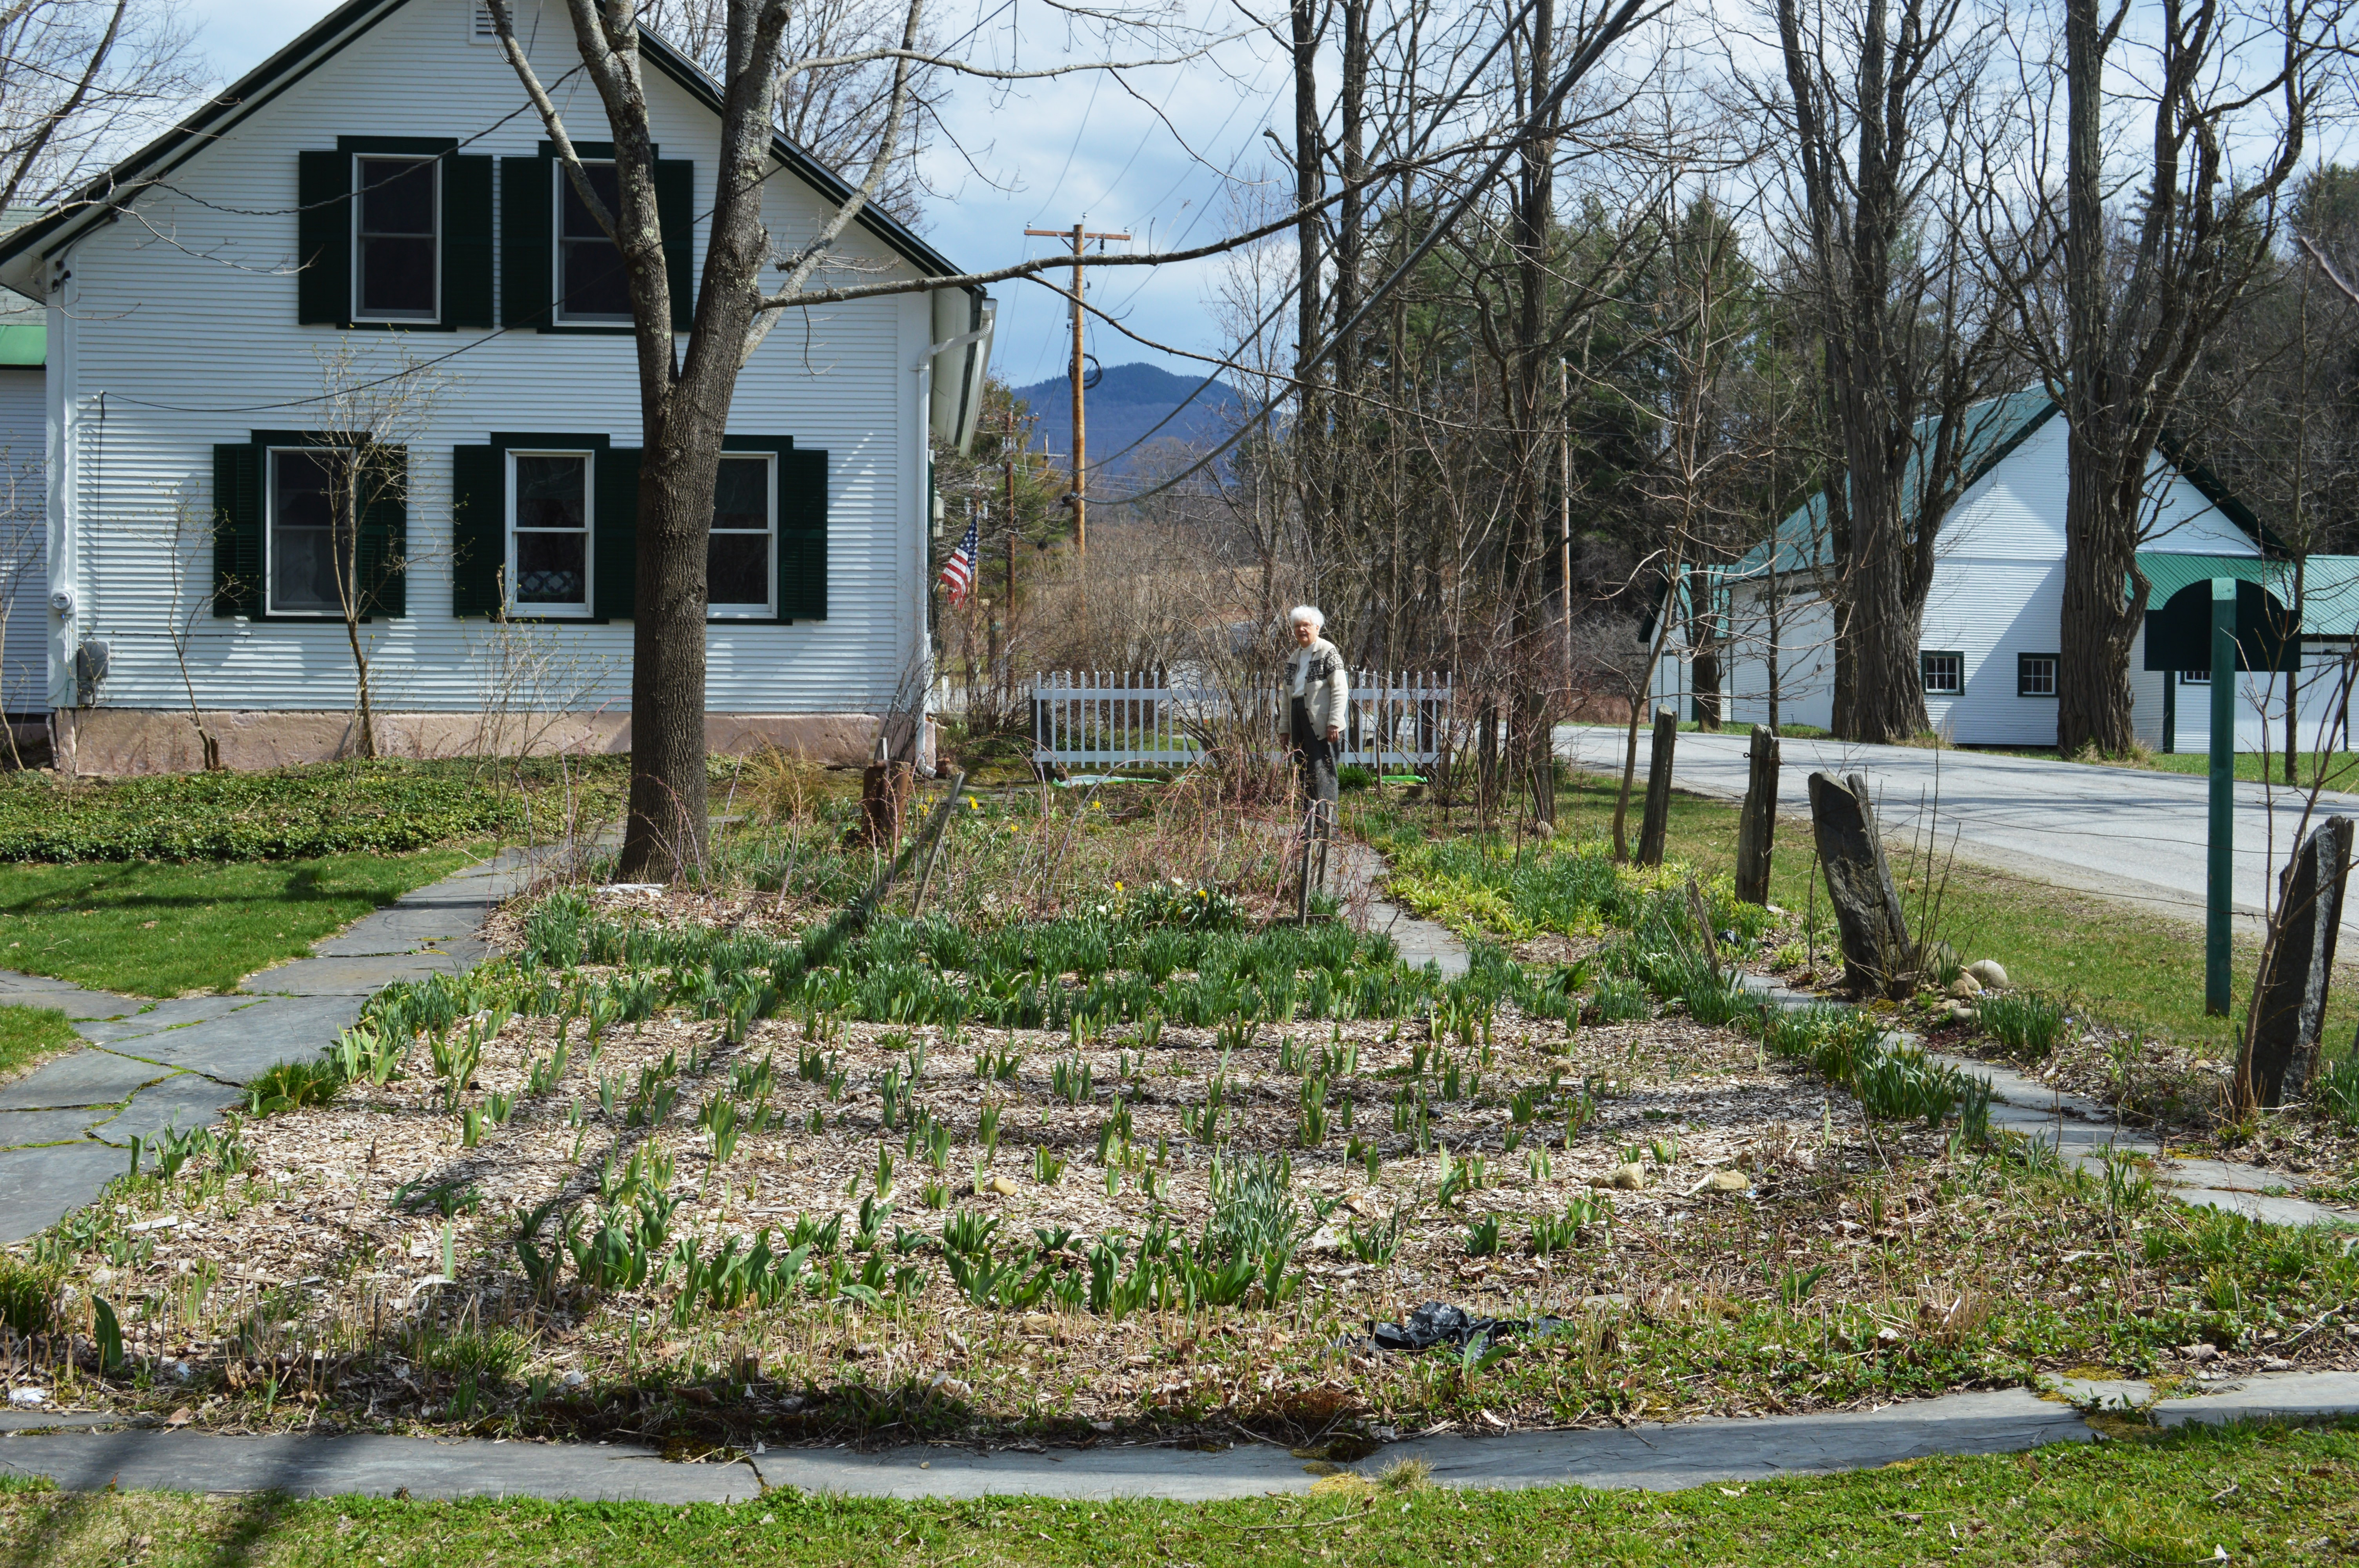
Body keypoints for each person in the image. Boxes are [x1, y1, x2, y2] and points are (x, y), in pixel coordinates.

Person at [1288, 605, 1349, 835]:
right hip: (1298, 716)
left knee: (1323, 772)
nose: (1301, 630)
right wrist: (1285, 728)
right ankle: (1309, 828)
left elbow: (1340, 688)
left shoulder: (1327, 651)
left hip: (1321, 722)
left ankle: (1328, 829)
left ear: (1317, 627)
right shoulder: (1294, 657)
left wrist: (1334, 721)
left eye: (1306, 625)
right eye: (1297, 626)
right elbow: (1286, 696)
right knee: (1304, 772)